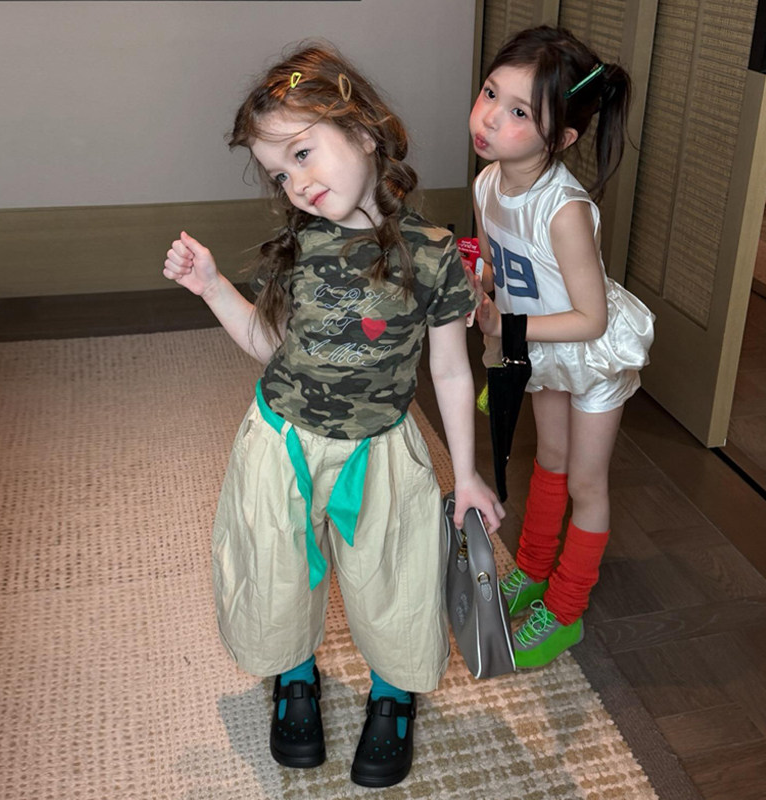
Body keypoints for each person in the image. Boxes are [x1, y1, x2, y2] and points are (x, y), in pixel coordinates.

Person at [163, 42, 504, 788]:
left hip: (380, 451)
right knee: (278, 573)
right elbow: (271, 347)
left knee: (395, 581)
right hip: (282, 443)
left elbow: (451, 369)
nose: (297, 184)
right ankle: (295, 679)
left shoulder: (433, 254)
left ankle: (392, 695)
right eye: (280, 174)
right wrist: (213, 287)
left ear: (365, 131)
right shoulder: (299, 247)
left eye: (303, 154)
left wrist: (469, 476)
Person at [468, 26, 654, 669]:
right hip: (538, 345)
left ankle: (566, 610)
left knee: (585, 480)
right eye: (491, 92)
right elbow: (496, 266)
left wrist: (505, 326)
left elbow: (591, 320)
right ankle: (532, 568)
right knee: (548, 458)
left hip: (590, 355)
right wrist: (477, 285)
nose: (491, 116)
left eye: (520, 112)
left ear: (563, 138)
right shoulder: (487, 184)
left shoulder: (565, 210)